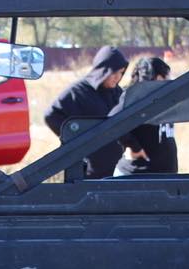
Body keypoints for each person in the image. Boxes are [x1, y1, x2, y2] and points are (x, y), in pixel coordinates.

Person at [44, 45, 129, 178]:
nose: (118, 77)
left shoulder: (118, 93)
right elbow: (51, 115)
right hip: (89, 170)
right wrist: (75, 143)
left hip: (117, 168)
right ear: (103, 70)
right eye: (114, 72)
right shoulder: (78, 91)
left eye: (121, 73)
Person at [113, 56, 179, 176]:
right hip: (135, 178)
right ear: (158, 78)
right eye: (168, 76)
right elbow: (113, 120)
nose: (170, 80)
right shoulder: (134, 99)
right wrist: (133, 147)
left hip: (163, 178)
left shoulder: (162, 100)